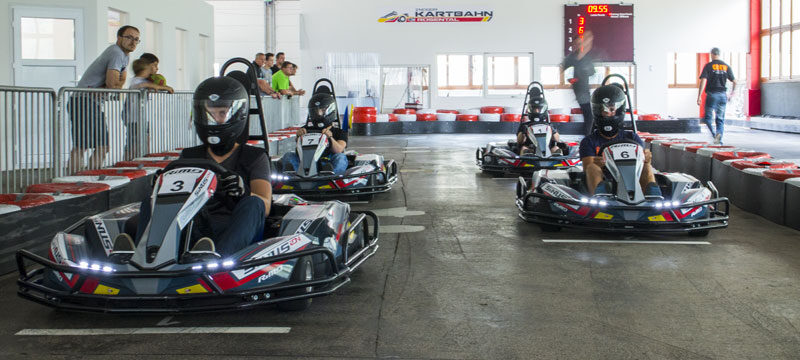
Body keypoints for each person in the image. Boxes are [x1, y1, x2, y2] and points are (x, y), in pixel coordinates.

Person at [118, 76, 273, 256]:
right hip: (196, 229)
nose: (215, 119)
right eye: (210, 114)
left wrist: (243, 191)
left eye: (222, 113)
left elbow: (266, 205)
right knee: (150, 202)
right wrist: (162, 186)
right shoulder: (189, 156)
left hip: (234, 227)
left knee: (254, 203)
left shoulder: (255, 157)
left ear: (237, 115)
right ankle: (146, 256)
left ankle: (218, 260)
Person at [68, 25, 138, 171]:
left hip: (93, 102)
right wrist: (111, 85)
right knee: (82, 146)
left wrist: (111, 86)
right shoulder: (116, 53)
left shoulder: (125, 55)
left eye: (136, 39)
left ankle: (91, 179)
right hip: (83, 101)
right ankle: (73, 182)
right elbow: (113, 84)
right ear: (119, 38)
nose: (133, 42)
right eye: (129, 37)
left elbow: (119, 83)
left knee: (102, 146)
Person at [578, 84, 659, 196]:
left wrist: (647, 159)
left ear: (618, 110)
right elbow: (587, 168)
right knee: (592, 167)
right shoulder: (589, 141)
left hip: (631, 180)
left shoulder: (632, 138)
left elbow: (642, 163)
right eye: (603, 110)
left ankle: (653, 198)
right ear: (597, 111)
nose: (607, 113)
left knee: (647, 166)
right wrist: (599, 164)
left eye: (611, 109)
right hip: (605, 181)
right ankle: (600, 198)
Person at [279, 92, 348, 174]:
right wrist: (298, 136)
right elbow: (298, 150)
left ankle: (330, 177)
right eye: (315, 110)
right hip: (305, 163)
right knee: (288, 155)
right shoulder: (305, 129)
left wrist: (330, 137)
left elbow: (339, 150)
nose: (318, 114)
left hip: (327, 163)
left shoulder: (339, 132)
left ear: (330, 110)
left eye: (322, 110)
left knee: (341, 157)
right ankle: (294, 178)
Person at [123, 58, 174, 160]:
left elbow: (149, 85)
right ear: (143, 70)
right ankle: (128, 161)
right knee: (133, 143)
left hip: (141, 118)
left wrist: (162, 86)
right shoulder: (136, 81)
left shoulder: (144, 81)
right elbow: (142, 85)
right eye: (148, 70)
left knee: (144, 140)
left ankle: (142, 159)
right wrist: (162, 87)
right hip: (133, 119)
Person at [697, 47, 737, 145]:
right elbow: (735, 81)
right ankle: (719, 135)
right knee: (720, 119)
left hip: (712, 95)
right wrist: (732, 94)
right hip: (723, 95)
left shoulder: (708, 66)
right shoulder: (726, 66)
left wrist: (699, 96)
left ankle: (715, 135)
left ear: (712, 54)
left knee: (707, 118)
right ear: (719, 54)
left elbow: (703, 80)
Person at [561, 30, 595, 136]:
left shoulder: (586, 58)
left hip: (586, 88)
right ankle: (588, 136)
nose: (578, 45)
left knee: (589, 114)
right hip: (580, 90)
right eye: (576, 44)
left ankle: (588, 134)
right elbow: (563, 70)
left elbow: (592, 71)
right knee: (589, 115)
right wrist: (570, 79)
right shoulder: (570, 58)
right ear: (573, 45)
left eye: (580, 43)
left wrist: (584, 72)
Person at [517, 87, 563, 155]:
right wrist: (523, 132)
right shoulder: (524, 125)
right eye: (534, 109)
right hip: (531, 151)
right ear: (530, 109)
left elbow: (557, 139)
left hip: (548, 152)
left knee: (556, 149)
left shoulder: (549, 125)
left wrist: (553, 131)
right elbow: (520, 141)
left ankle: (557, 163)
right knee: (524, 149)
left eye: (538, 109)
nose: (536, 111)